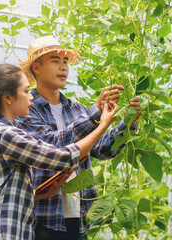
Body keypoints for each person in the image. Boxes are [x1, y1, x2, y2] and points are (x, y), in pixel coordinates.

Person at [0, 64, 118, 239]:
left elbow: (4, 190)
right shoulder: (5, 134)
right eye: (26, 91)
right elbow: (62, 157)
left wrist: (35, 195)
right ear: (8, 98)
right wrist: (103, 125)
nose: (31, 97)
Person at [18, 36, 142, 239]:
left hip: (80, 213)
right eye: (55, 61)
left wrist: (127, 123)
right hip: (44, 217)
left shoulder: (75, 108)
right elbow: (53, 147)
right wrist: (95, 113)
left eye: (66, 62)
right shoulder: (27, 110)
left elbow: (102, 149)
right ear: (37, 68)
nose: (63, 67)